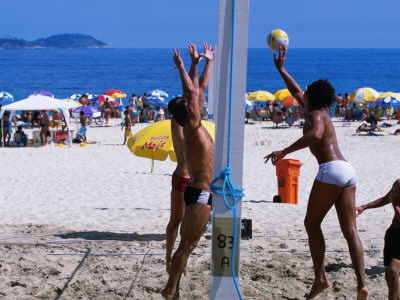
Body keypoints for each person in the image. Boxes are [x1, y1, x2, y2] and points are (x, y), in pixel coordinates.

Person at [264, 47, 368, 300]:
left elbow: (315, 135)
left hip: (331, 170)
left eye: (306, 91)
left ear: (311, 97)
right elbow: (295, 91)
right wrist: (282, 70)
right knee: (350, 230)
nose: (303, 93)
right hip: (348, 170)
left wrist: (285, 150)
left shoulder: (315, 117)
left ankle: (320, 278)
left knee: (311, 223)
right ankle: (362, 284)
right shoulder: (321, 111)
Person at [161, 43, 215, 300]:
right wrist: (183, 66)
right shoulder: (190, 127)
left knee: (187, 245)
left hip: (201, 190)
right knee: (187, 245)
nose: (195, 102)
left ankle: (174, 287)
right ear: (187, 111)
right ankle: (170, 289)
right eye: (190, 103)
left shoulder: (194, 123)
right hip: (200, 192)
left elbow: (198, 91)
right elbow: (192, 93)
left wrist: (204, 63)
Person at [356, 179, 400, 300]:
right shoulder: (398, 184)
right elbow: (385, 199)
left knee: (393, 270)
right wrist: (364, 207)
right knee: (388, 276)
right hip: (392, 234)